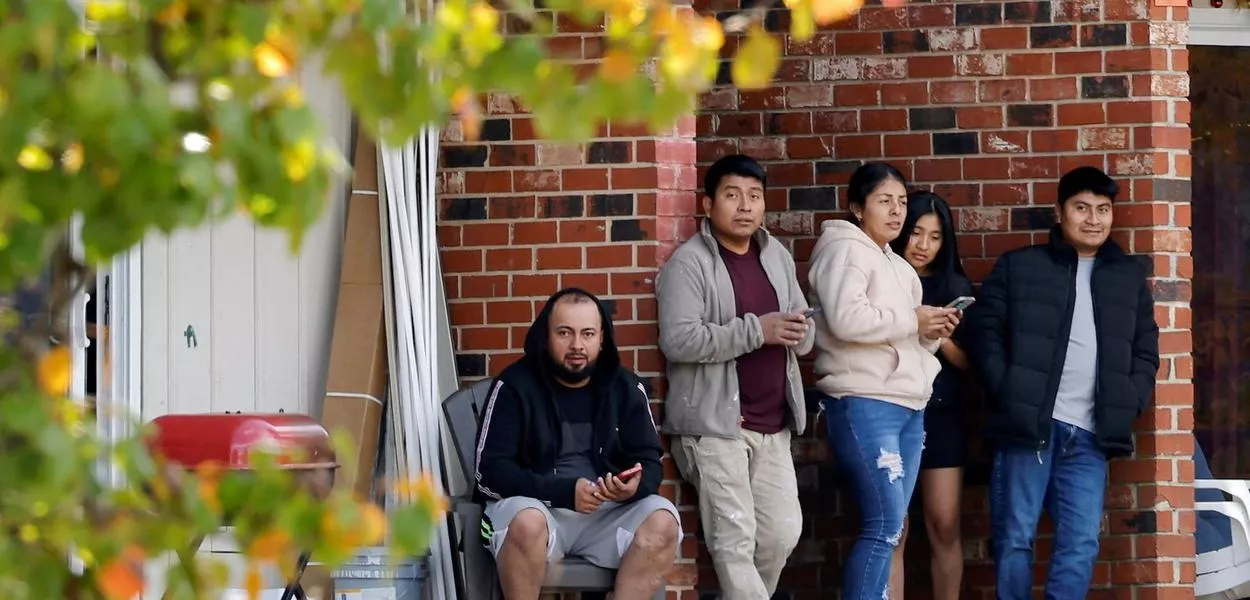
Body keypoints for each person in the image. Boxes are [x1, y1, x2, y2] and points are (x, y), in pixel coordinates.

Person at [962, 166, 1160, 600]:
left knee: (1081, 543)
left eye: (1104, 210)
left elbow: (1146, 350)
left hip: (1090, 435)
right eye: (1082, 208)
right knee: (1014, 539)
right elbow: (983, 332)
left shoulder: (1127, 277)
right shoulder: (1020, 267)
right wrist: (1008, 390)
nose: (1094, 219)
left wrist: (1129, 399)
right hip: (1029, 427)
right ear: (1060, 212)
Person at [656, 154, 813, 600]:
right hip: (715, 427)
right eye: (732, 195)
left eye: (754, 196)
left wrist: (801, 331)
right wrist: (756, 331)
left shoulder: (775, 254)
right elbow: (680, 340)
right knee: (734, 541)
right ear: (707, 204)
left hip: (772, 424)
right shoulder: (689, 263)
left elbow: (801, 321)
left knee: (782, 533)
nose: (745, 205)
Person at [806, 162, 959, 600]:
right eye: (884, 201)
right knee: (884, 524)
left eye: (901, 202)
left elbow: (903, 338)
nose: (896, 212)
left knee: (894, 527)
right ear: (857, 207)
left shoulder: (899, 266)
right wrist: (913, 319)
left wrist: (931, 332)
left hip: (909, 403)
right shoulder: (844, 250)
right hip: (864, 400)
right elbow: (847, 319)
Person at [473, 288, 680, 600]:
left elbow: (650, 464)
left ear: (601, 339)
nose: (577, 345)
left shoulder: (625, 387)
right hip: (537, 510)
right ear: (546, 337)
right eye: (564, 333)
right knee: (527, 522)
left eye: (587, 334)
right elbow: (488, 473)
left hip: (606, 515)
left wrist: (633, 487)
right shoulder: (515, 385)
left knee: (664, 521)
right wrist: (563, 492)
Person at [884, 191, 973, 600]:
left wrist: (941, 338)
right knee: (894, 528)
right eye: (916, 232)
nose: (922, 245)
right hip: (890, 410)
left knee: (943, 522)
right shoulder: (881, 276)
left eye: (935, 237)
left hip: (942, 415)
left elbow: (973, 365)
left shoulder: (954, 286)